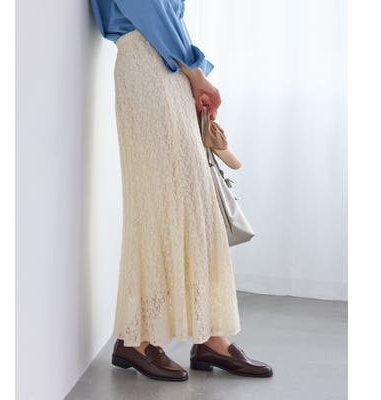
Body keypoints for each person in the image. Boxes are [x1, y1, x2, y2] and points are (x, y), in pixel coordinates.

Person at [89, 0, 273, 381]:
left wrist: (191, 75)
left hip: (165, 67)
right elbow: (148, 9)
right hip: (148, 63)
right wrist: (195, 71)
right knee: (160, 204)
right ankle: (137, 337)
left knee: (193, 203)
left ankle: (209, 336)